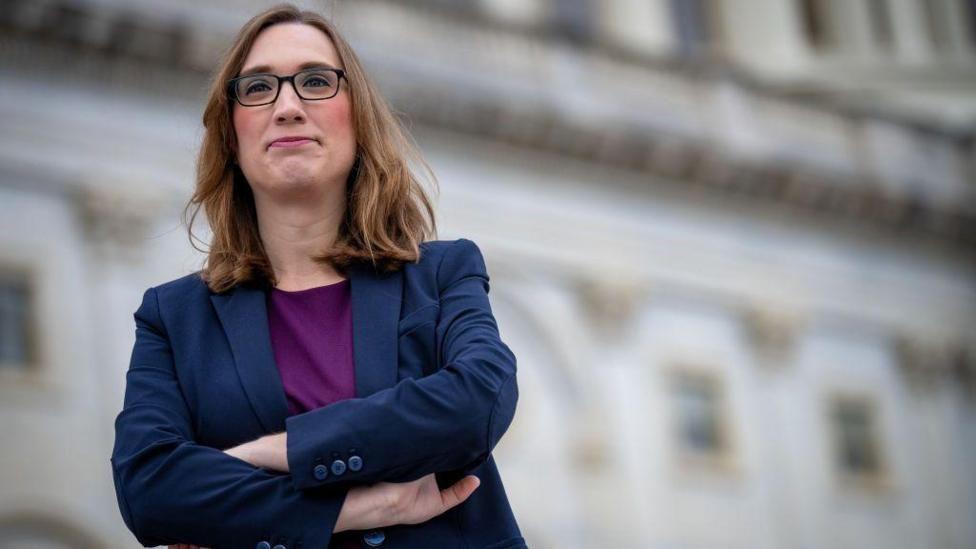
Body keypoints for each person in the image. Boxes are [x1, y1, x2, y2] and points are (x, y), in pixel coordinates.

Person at [109, 4, 524, 548]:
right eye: (258, 88)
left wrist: (277, 452)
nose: (287, 106)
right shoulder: (174, 317)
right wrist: (347, 509)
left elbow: (478, 403)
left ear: (358, 118)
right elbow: (149, 488)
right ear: (232, 136)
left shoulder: (443, 274)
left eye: (315, 81)